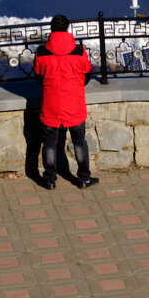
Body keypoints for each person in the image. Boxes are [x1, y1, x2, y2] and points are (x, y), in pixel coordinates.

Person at [33, 14, 98, 190]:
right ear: (68, 29)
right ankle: (84, 178)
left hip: (51, 104)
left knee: (49, 143)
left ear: (51, 30)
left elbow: (38, 77)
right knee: (79, 142)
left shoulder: (41, 52)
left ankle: (49, 179)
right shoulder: (79, 51)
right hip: (74, 103)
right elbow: (87, 75)